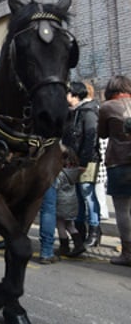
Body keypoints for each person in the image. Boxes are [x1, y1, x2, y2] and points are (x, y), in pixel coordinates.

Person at [63, 81, 102, 248]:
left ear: (75, 95)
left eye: (67, 93)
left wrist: (84, 162)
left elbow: (90, 138)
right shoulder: (74, 112)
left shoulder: (88, 112)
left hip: (87, 161)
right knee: (77, 197)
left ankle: (95, 230)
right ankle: (81, 230)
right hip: (74, 161)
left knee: (87, 194)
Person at [97, 75, 131, 266]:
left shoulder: (107, 107)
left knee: (122, 210)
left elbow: (102, 133)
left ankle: (128, 252)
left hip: (119, 163)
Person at [56, 148, 87, 257]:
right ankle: (79, 245)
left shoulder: (60, 174)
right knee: (70, 225)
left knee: (60, 225)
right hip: (72, 202)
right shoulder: (76, 171)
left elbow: (56, 186)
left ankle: (64, 247)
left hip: (61, 202)